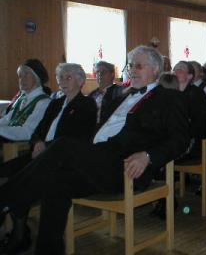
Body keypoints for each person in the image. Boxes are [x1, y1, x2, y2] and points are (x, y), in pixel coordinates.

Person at [0, 45, 190, 255]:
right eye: (130, 65)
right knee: (56, 181)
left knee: (62, 145)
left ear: (155, 70)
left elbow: (181, 140)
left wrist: (148, 156)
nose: (132, 70)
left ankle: (5, 200)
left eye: (138, 66)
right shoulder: (120, 96)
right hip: (97, 161)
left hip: (125, 167)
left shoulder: (170, 98)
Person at [0, 63, 98, 253]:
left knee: (25, 179)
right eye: (60, 77)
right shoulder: (55, 103)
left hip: (61, 159)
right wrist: (37, 142)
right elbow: (39, 129)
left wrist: (47, 147)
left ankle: (18, 233)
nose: (62, 82)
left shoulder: (86, 104)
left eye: (67, 77)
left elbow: (77, 138)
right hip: (39, 154)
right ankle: (18, 229)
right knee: (6, 172)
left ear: (80, 81)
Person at [0, 59, 51, 142]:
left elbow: (27, 132)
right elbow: (7, 120)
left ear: (37, 77)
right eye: (20, 76)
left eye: (26, 74)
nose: (22, 79)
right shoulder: (21, 98)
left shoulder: (43, 102)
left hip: (21, 146)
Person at [173, 61, 206, 157]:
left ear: (189, 76)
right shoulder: (169, 93)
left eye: (180, 69)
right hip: (174, 136)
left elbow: (196, 123)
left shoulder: (196, 93)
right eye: (175, 69)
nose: (176, 71)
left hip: (191, 140)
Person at [88, 61, 123, 125]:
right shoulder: (92, 94)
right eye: (98, 72)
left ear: (112, 74)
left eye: (103, 72)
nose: (100, 75)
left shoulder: (120, 92)